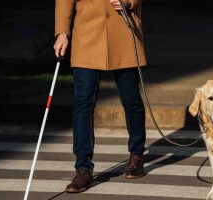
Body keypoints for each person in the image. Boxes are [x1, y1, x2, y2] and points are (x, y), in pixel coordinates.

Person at [54, 0, 147, 193]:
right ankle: (83, 168)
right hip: (87, 35)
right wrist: (62, 33)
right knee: (83, 103)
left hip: (124, 31)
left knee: (132, 100)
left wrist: (130, 2)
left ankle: (136, 154)